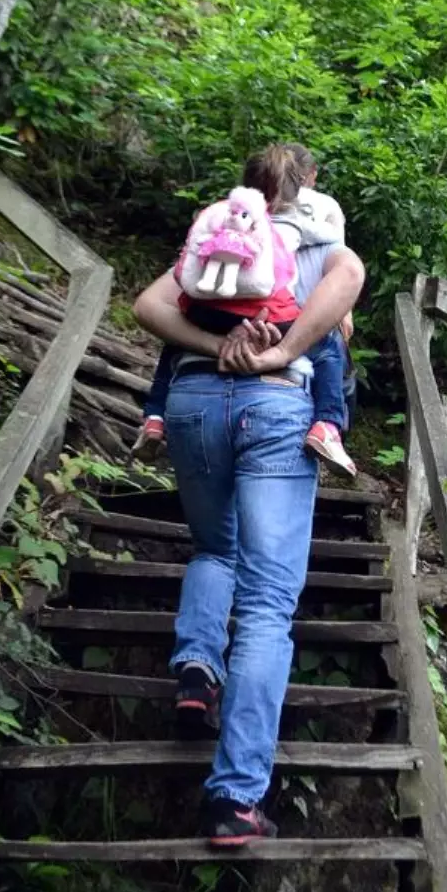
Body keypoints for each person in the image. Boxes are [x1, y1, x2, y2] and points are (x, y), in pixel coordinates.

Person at [132, 171, 365, 845]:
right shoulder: (316, 240)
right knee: (265, 606)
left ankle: (196, 670)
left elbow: (147, 305)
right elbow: (350, 274)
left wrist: (213, 348)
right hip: (274, 409)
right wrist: (288, 351)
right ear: (312, 186)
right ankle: (235, 799)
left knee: (213, 548)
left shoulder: (219, 243)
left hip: (193, 404)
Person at [136, 147, 355, 475]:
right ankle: (328, 425)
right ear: (301, 186)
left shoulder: (225, 216)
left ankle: (153, 417)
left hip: (211, 318)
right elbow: (340, 255)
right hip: (270, 321)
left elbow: (153, 300)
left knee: (177, 336)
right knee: (329, 344)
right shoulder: (302, 220)